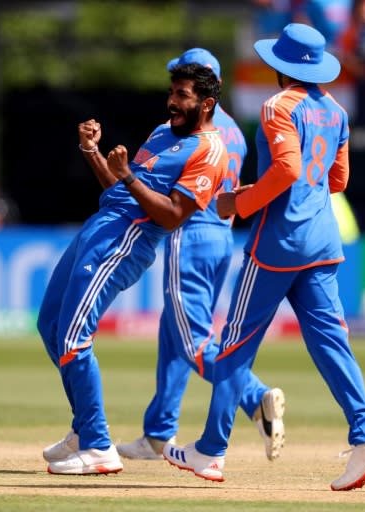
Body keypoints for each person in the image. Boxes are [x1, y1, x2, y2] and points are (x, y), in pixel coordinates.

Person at [162, 23, 365, 491]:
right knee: (331, 344)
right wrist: (285, 191)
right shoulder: (335, 110)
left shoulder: (276, 106)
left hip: (277, 245)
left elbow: (289, 167)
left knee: (233, 345)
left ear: (279, 66)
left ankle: (210, 450)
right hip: (323, 241)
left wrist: (242, 202)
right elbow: (337, 180)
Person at [38, 63, 228, 475]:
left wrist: (127, 175)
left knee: (73, 334)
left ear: (207, 103)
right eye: (172, 92)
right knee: (50, 324)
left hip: (128, 241)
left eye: (183, 95)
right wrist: (93, 152)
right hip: (101, 226)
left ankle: (98, 446)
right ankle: (84, 427)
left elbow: (173, 215)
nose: (172, 102)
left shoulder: (210, 151)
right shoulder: (164, 132)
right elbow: (121, 189)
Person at [115, 48, 286, 463]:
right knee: (173, 331)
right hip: (220, 239)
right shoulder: (235, 132)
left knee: (192, 341)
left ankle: (254, 396)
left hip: (188, 235)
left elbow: (158, 184)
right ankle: (158, 434)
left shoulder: (183, 129)